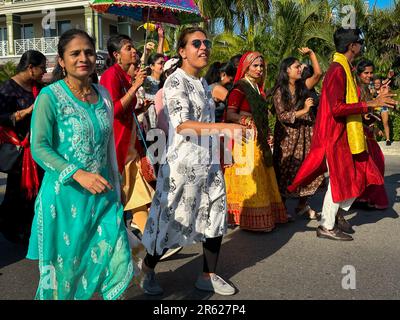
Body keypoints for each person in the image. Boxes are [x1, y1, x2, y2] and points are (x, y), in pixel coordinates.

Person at [26, 29, 134, 299]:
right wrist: (77, 174)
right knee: (65, 277)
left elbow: (108, 146)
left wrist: (118, 185)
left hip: (103, 195)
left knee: (118, 259)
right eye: (74, 53)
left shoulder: (104, 96)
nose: (83, 57)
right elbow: (39, 147)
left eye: (88, 51)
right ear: (61, 61)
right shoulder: (50, 97)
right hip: (64, 199)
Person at [139, 27, 245, 296]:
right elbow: (184, 125)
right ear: (182, 51)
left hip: (208, 164)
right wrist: (225, 128)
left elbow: (205, 124)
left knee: (215, 215)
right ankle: (148, 268)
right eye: (196, 43)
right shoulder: (175, 81)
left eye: (206, 42)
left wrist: (222, 150)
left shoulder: (201, 84)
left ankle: (207, 275)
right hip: (182, 167)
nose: (203, 47)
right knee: (172, 220)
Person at [288, 27, 397, 241]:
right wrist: (371, 104)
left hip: (345, 134)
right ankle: (327, 225)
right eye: (359, 42)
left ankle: (335, 216)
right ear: (352, 46)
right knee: (341, 181)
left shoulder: (345, 67)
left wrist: (370, 105)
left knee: (358, 176)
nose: (361, 45)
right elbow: (336, 108)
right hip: (335, 135)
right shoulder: (338, 70)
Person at [224, 52, 289, 232]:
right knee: (250, 180)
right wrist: (248, 122)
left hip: (257, 138)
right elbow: (230, 114)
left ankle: (263, 216)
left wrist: (265, 130)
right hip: (245, 140)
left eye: (261, 66)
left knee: (261, 176)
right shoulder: (239, 89)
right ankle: (249, 219)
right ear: (246, 67)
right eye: (255, 66)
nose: (259, 69)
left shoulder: (256, 89)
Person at [99, 34, 154, 241]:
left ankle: (150, 239)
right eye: (128, 48)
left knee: (136, 192)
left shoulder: (124, 75)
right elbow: (112, 110)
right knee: (126, 194)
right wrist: (134, 87)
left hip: (129, 144)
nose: (134, 51)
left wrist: (139, 106)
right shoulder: (110, 76)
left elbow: (126, 108)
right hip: (117, 145)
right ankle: (148, 240)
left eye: (133, 47)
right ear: (116, 54)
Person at [272, 48, 324, 220]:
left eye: (300, 67)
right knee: (286, 171)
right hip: (288, 137)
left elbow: (318, 74)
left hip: (305, 135)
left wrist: (311, 54)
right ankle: (281, 209)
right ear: (287, 70)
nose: (300, 69)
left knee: (307, 169)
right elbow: (283, 116)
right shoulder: (280, 91)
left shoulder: (303, 86)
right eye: (296, 67)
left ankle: (302, 205)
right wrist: (305, 110)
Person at [0, 50, 46, 244]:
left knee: (36, 191)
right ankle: (9, 227)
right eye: (42, 68)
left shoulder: (38, 88)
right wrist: (26, 112)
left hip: (38, 147)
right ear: (30, 68)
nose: (44, 72)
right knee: (17, 192)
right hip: (19, 149)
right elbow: (2, 118)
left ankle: (29, 228)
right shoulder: (7, 89)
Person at [355, 59, 389, 209]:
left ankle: (364, 197)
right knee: (371, 166)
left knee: (375, 163)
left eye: (371, 72)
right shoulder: (356, 88)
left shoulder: (365, 88)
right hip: (358, 132)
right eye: (366, 73)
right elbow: (352, 109)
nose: (369, 75)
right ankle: (368, 197)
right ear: (359, 73)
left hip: (368, 131)